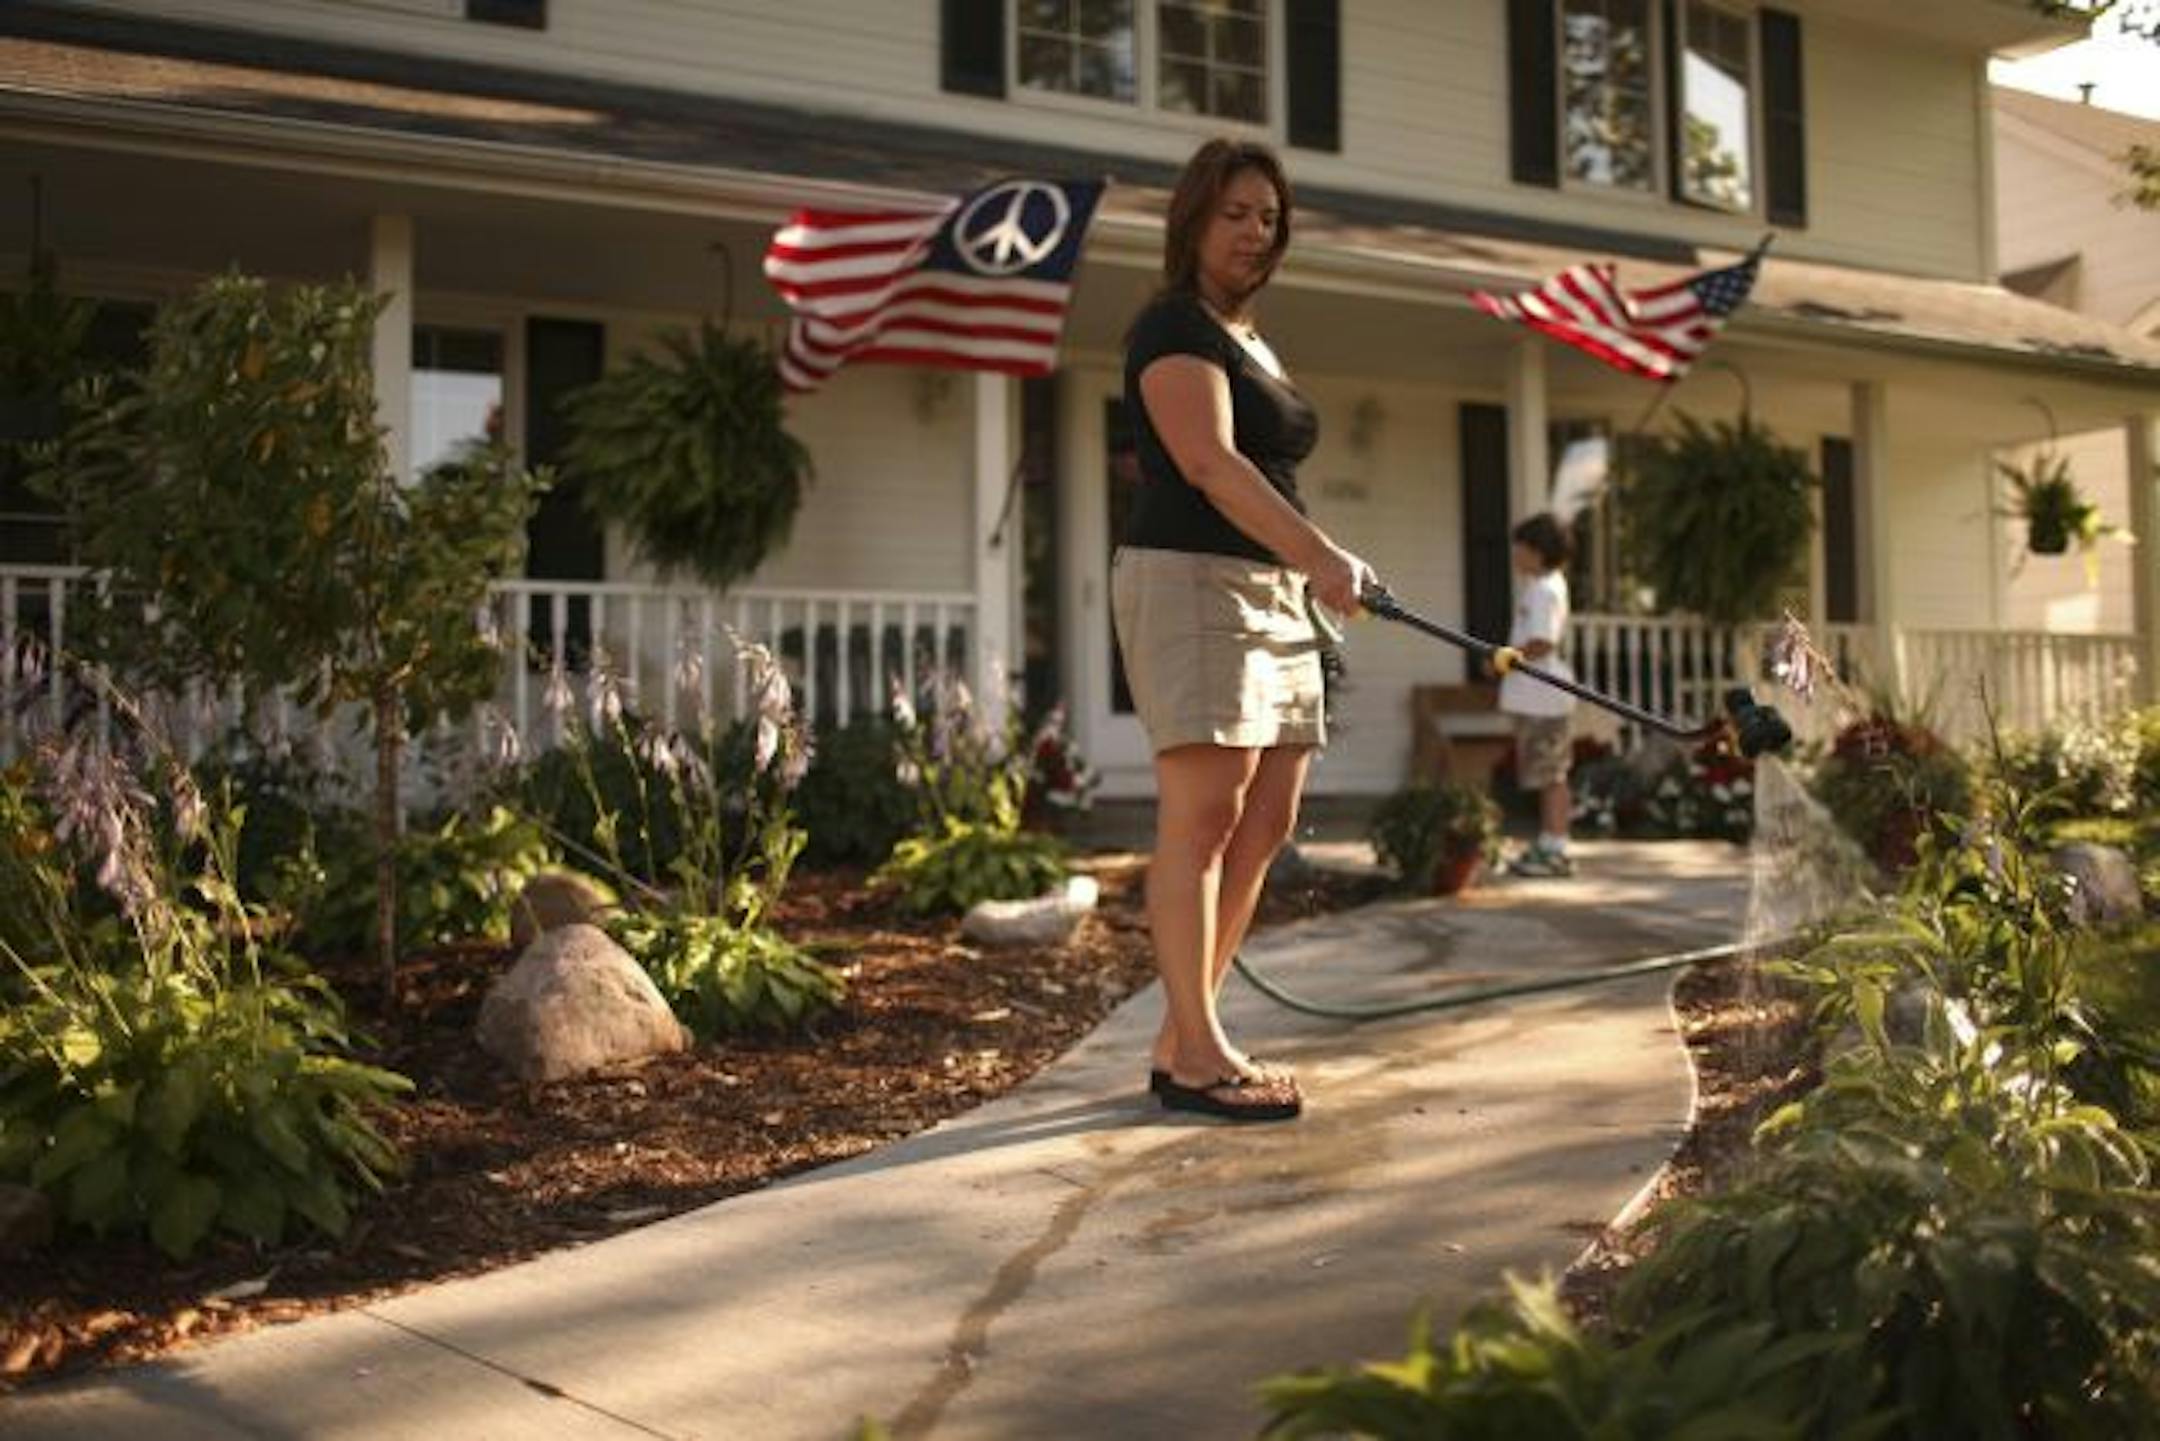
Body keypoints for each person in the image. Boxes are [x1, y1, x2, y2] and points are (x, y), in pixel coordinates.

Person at [1110, 138, 1378, 1123]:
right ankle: (1201, 1054)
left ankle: (1186, 1034)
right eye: (1235, 212)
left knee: (1265, 823)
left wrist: (1315, 560)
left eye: (1269, 216)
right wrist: (1321, 554)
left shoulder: (1250, 336)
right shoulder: (1174, 327)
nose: (1255, 231)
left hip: (1274, 594)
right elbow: (1212, 464)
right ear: (1193, 220)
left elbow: (1265, 474)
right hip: (1194, 583)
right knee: (1204, 816)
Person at [1497, 512, 1577, 878]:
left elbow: (1544, 642)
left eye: (1521, 547)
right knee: (1544, 772)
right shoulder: (1539, 586)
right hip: (1533, 698)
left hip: (1545, 697)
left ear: (1538, 551)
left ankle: (1556, 846)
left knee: (1552, 773)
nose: (1514, 554)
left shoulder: (1546, 589)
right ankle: (1549, 841)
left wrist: (1508, 658)